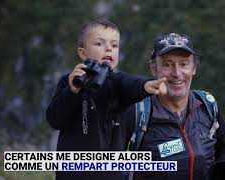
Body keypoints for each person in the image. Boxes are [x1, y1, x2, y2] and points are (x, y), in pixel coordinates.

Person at [46, 19, 166, 180]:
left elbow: (130, 83)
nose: (108, 48)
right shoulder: (68, 81)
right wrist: (72, 91)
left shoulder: (117, 83)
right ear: (82, 52)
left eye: (114, 45)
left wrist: (145, 85)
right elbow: (55, 120)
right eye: (99, 44)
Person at [123, 32, 225, 180]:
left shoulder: (207, 105)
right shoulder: (137, 112)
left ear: (194, 68)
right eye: (167, 65)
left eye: (184, 64)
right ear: (154, 69)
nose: (177, 73)